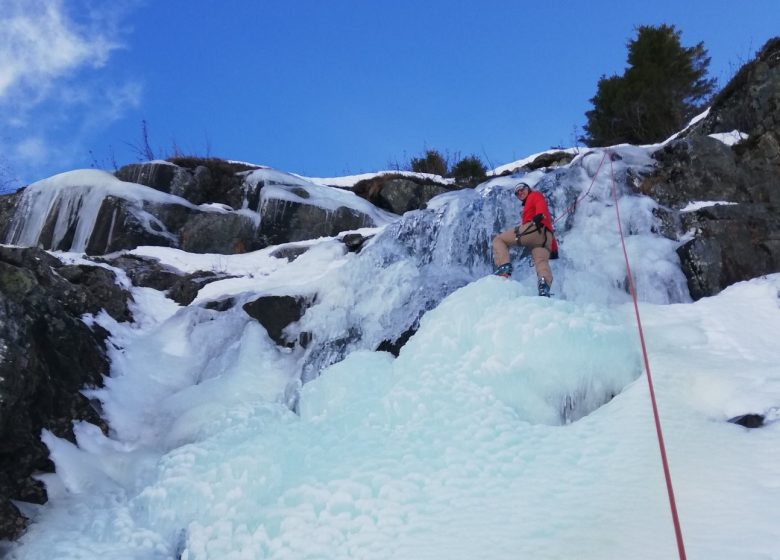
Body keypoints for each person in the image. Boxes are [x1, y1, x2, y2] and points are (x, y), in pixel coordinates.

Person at [492, 182, 558, 297]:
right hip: (545, 238)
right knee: (541, 262)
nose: (520, 193)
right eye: (517, 193)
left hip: (534, 228)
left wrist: (539, 215)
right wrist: (554, 250)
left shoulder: (535, 195)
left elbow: (540, 203)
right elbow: (549, 231)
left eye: (522, 189)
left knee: (499, 240)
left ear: (528, 189)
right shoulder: (529, 202)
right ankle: (544, 287)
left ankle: (504, 267)